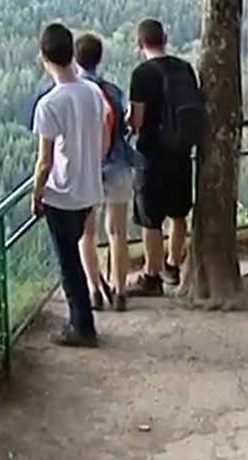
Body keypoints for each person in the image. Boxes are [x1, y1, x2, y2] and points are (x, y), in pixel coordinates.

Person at [31, 23, 111, 347]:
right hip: (90, 189)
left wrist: (36, 195)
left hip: (61, 193)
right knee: (77, 253)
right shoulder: (92, 91)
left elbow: (45, 161)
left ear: (43, 57)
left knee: (68, 263)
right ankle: (82, 322)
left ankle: (82, 326)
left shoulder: (49, 104)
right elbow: (105, 127)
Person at [126, 18, 205, 297]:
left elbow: (137, 120)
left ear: (140, 44)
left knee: (151, 218)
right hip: (182, 151)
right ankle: (173, 265)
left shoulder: (142, 74)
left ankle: (152, 275)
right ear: (166, 39)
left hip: (151, 153)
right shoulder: (184, 68)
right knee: (178, 212)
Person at [75, 32, 138, 313]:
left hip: (88, 168)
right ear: (99, 58)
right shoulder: (112, 90)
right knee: (118, 232)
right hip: (119, 164)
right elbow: (125, 125)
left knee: (87, 234)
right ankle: (121, 291)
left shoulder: (75, 91)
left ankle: (94, 291)